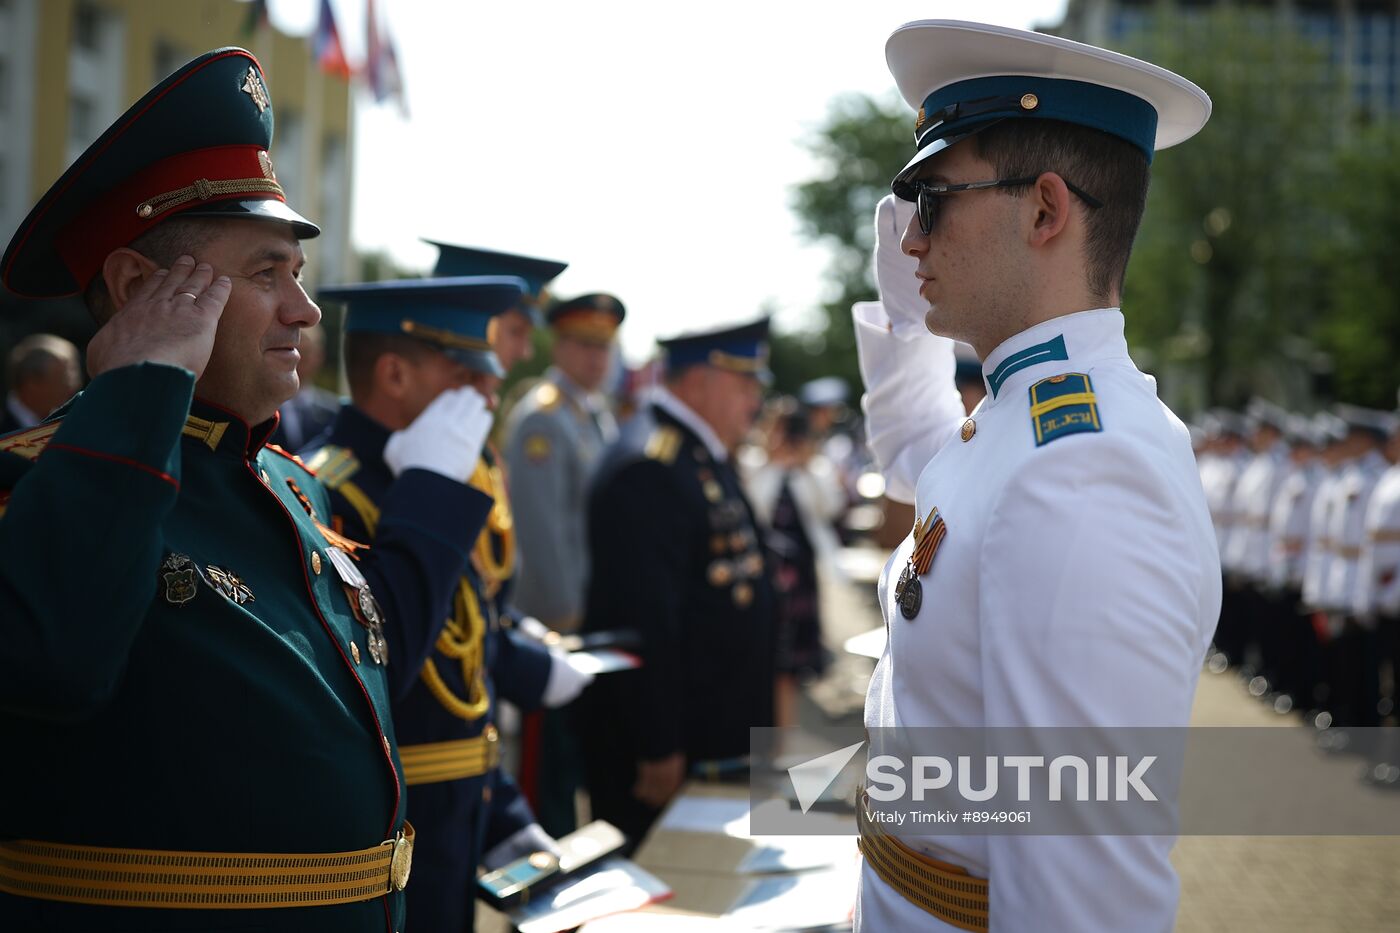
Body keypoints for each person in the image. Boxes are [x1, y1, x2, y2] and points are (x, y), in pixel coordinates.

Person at [0, 49, 495, 931]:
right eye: (268, 274)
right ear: (137, 286)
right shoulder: (35, 484)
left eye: (295, 274)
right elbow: (57, 659)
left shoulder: (293, 493)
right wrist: (140, 393)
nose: (303, 310)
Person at [854, 20, 1219, 932]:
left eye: (932, 199)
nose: (912, 240)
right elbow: (925, 465)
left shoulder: (1085, 472)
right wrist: (904, 327)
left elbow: (1081, 898)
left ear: (1046, 210)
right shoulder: (1028, 417)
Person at [306, 277, 592, 932]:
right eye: (468, 374)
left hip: (459, 812)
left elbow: (465, 663)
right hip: (380, 840)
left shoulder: (431, 479)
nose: (490, 392)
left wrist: (504, 814)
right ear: (395, 373)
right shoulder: (329, 492)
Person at [579, 319, 776, 844]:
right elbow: (642, 621)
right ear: (699, 381)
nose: (755, 401)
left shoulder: (695, 453)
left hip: (716, 731)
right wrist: (657, 745)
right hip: (676, 748)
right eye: (745, 385)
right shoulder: (653, 465)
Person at [743, 400, 844, 728]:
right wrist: (774, 466)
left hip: (803, 573)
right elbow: (754, 508)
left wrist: (804, 466)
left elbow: (829, 507)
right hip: (766, 571)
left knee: (794, 657)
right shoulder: (752, 465)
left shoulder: (815, 468)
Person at [270, 321, 340, 450]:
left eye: (306, 352)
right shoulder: (263, 409)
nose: (299, 359)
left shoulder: (334, 412)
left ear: (319, 356)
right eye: (294, 350)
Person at [2, 333, 82, 432]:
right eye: (62, 380)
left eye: (74, 377)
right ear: (32, 383)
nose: (73, 386)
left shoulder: (72, 426)